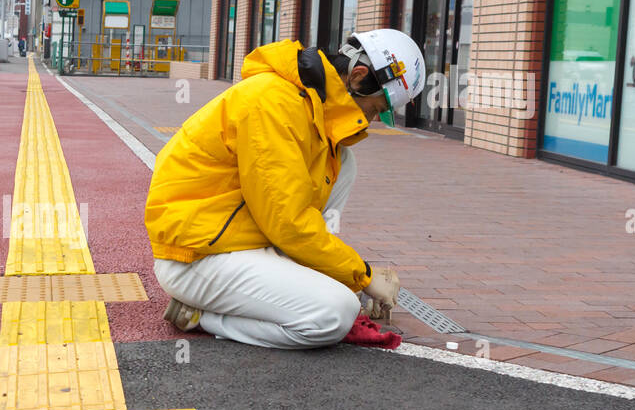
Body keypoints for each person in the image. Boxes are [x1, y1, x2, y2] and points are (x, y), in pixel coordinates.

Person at [145, 30, 427, 349]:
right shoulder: (273, 103)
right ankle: (201, 316)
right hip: (196, 257)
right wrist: (362, 275)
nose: (373, 119)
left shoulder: (310, 109)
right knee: (334, 313)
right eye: (376, 108)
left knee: (344, 163)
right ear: (359, 77)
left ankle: (284, 279)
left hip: (236, 239)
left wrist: (344, 274)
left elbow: (291, 217)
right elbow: (289, 224)